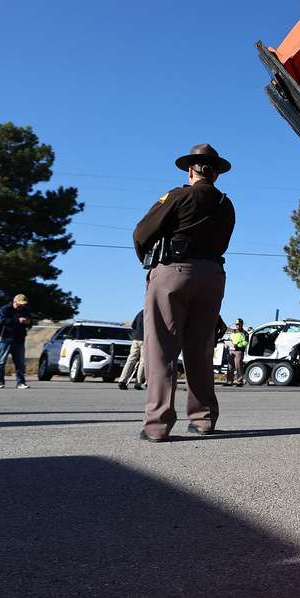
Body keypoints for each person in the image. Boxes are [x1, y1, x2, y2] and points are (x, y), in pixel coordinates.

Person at [132, 144, 235, 442]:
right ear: (215, 174)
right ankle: (204, 419)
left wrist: (150, 264)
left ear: (191, 170)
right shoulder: (226, 205)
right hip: (213, 276)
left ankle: (157, 425)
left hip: (173, 272)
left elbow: (141, 232)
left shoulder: (178, 196)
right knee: (201, 349)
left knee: (161, 349)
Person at [0, 294, 31, 389]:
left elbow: (30, 322)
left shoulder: (25, 310)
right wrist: (17, 320)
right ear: (15, 301)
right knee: (1, 361)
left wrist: (28, 322)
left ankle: (21, 383)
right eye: (20, 304)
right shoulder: (5, 309)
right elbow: (0, 320)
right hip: (5, 340)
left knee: (20, 363)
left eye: (24, 304)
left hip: (19, 340)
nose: (22, 306)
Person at [116, 309, 146, 390]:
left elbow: (133, 325)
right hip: (145, 339)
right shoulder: (152, 312)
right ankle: (138, 383)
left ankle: (122, 380)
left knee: (131, 359)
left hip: (136, 339)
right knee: (143, 361)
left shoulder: (140, 312)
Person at [228, 318, 248, 386]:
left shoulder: (245, 333)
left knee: (238, 366)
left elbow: (245, 342)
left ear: (242, 324)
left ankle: (239, 381)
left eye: (239, 324)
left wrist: (238, 345)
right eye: (236, 324)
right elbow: (230, 339)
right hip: (231, 350)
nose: (237, 326)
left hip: (239, 351)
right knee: (230, 366)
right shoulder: (233, 332)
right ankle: (229, 381)